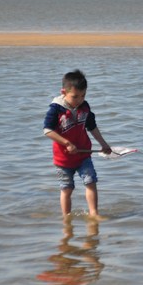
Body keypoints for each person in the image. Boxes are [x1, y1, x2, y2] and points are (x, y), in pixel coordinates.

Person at [43, 70, 111, 218]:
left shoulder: (85, 107)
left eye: (83, 95)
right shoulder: (56, 109)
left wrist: (104, 144)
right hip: (63, 159)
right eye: (75, 97)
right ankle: (66, 218)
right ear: (64, 92)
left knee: (91, 182)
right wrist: (66, 143)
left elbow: (92, 127)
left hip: (84, 155)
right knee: (67, 189)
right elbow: (47, 130)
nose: (79, 100)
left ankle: (94, 214)